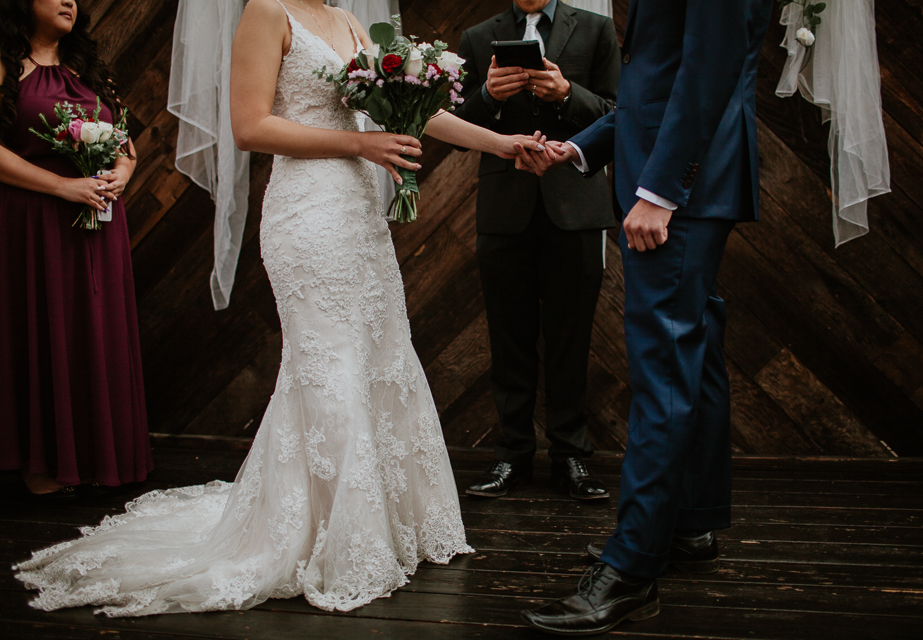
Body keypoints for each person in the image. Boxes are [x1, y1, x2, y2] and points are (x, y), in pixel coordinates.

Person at [13, 0, 547, 616]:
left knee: (382, 354)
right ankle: (339, 536)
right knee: (329, 365)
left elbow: (418, 113)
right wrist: (360, 142)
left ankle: (388, 523)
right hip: (306, 211)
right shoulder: (267, 13)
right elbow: (249, 127)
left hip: (356, 212)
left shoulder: (348, 22)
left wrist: (502, 145)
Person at [514, 0, 772, 634]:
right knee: (695, 346)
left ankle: (632, 567)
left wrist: (661, 191)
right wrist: (576, 151)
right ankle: (689, 522)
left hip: (679, 185)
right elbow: (658, 72)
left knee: (664, 365)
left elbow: (707, 70)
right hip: (677, 174)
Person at [456, 0, 620, 501]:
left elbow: (619, 115)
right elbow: (459, 126)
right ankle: (512, 457)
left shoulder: (597, 30)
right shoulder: (478, 36)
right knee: (509, 340)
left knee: (571, 340)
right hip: (506, 207)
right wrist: (488, 93)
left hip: (576, 205)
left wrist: (567, 93)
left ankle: (571, 457)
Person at [0, 0, 152, 499]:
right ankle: (41, 461)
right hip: (33, 223)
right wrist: (62, 187)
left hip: (98, 223)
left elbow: (126, 143)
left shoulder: (85, 70)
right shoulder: (5, 64)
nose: (71, 0)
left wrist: (122, 174)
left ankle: (95, 455)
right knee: (44, 331)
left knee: (93, 330)